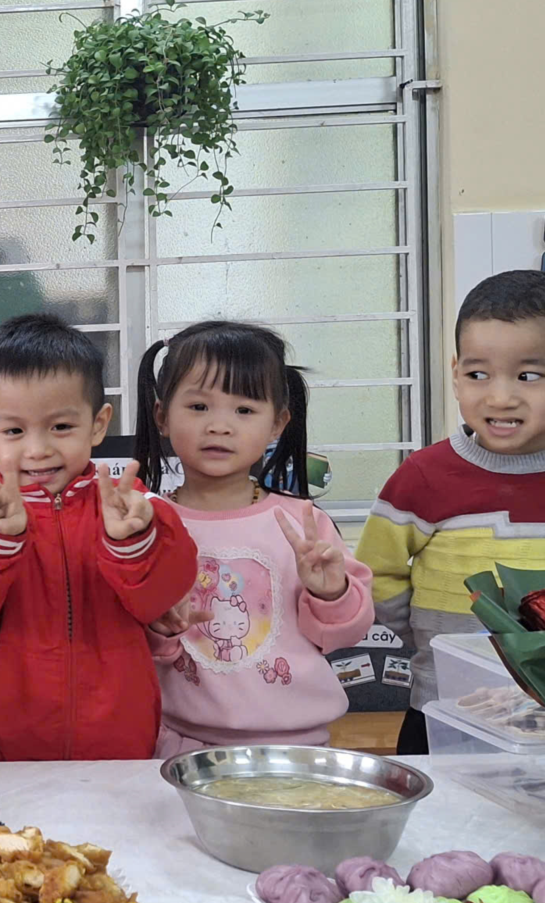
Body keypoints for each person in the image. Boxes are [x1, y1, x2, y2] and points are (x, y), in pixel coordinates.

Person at [357, 270, 545, 753]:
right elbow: (375, 572)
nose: (499, 397)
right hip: (441, 708)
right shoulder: (422, 476)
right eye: (478, 374)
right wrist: (430, 636)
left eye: (528, 376)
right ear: (456, 376)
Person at [0, 313, 197, 760]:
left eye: (61, 427)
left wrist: (132, 543)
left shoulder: (130, 505)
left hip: (118, 741)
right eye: (14, 431)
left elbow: (162, 597)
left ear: (98, 423)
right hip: (1, 745)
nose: (37, 449)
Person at [130, 321, 373, 754]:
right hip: (176, 746)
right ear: (162, 416)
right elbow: (133, 648)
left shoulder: (302, 523)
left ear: (278, 423)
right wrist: (158, 626)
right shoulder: (144, 523)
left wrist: (331, 592)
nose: (220, 426)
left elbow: (346, 632)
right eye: (199, 406)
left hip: (298, 749)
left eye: (244, 410)